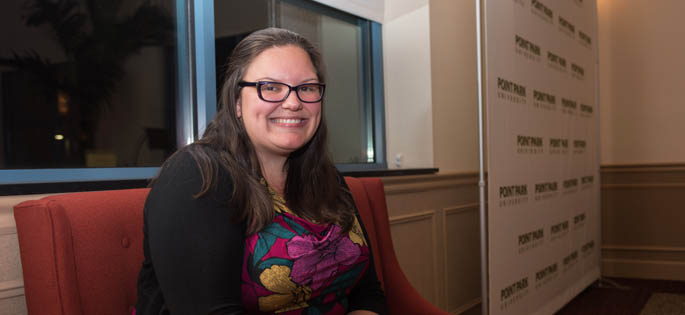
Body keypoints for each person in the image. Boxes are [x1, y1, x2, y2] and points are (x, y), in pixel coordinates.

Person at [135, 28, 387, 315]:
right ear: (237, 102)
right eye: (270, 87)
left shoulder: (327, 178)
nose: (293, 103)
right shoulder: (197, 176)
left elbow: (368, 293)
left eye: (306, 88)